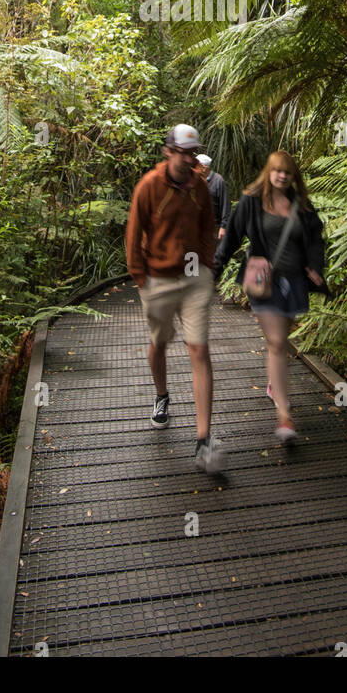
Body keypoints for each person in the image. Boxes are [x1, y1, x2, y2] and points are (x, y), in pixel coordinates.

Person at [125, 124, 225, 473]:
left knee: (199, 348)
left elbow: (208, 228)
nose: (188, 158)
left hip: (195, 277)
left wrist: (208, 267)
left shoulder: (199, 185)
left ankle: (203, 439)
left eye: (192, 152)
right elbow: (134, 231)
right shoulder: (149, 187)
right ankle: (162, 396)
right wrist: (141, 278)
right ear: (168, 152)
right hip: (158, 278)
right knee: (160, 343)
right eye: (182, 152)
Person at [214, 151, 325, 445]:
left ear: (292, 177)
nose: (281, 176)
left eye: (287, 172)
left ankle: (275, 385)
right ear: (268, 172)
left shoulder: (301, 205)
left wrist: (315, 267)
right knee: (276, 344)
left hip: (295, 283)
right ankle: (284, 416)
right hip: (264, 281)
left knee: (281, 342)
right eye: (276, 171)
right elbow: (232, 237)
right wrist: (214, 269)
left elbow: (315, 238)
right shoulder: (252, 201)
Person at [196, 153, 230, 241]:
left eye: (196, 166)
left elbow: (225, 205)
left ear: (203, 168)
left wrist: (223, 227)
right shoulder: (194, 180)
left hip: (214, 227)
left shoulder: (218, 180)